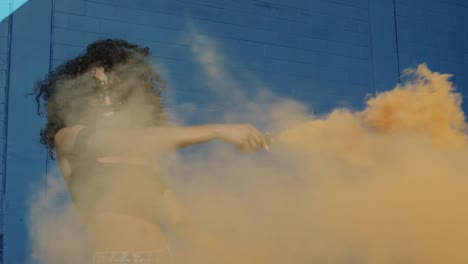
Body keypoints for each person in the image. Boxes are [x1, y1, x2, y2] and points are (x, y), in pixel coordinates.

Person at [34, 38, 268, 263]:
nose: (107, 101)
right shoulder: (68, 138)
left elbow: (179, 221)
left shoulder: (142, 156)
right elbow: (128, 141)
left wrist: (232, 255)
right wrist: (217, 131)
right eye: (97, 92)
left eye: (115, 91)